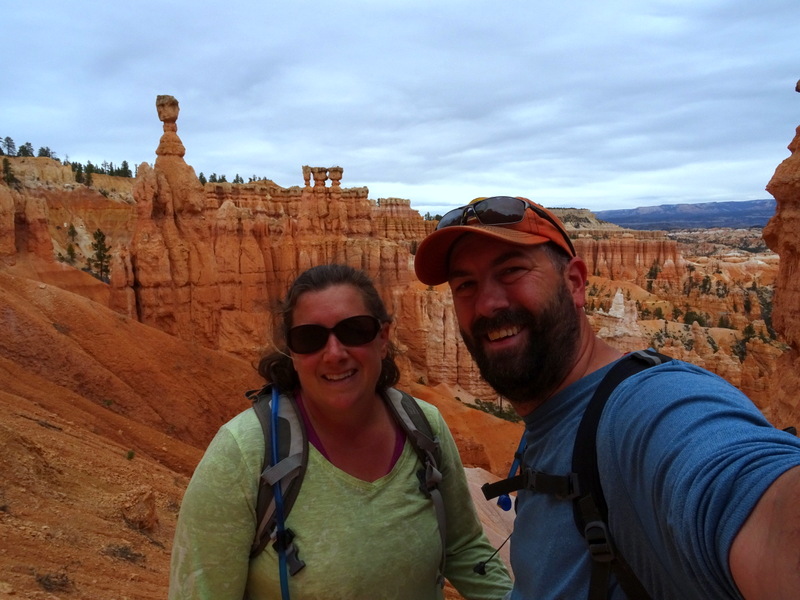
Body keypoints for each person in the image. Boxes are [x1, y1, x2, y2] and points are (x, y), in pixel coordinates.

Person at [413, 195, 800, 599]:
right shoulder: (548, 420)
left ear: (575, 283)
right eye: (465, 285)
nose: (488, 303)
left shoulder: (650, 408)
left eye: (512, 271)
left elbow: (751, 495)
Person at [169, 264, 512, 600]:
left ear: (383, 338)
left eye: (354, 331)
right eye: (310, 338)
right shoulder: (242, 454)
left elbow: (463, 547)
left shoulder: (424, 427)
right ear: (292, 351)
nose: (334, 353)